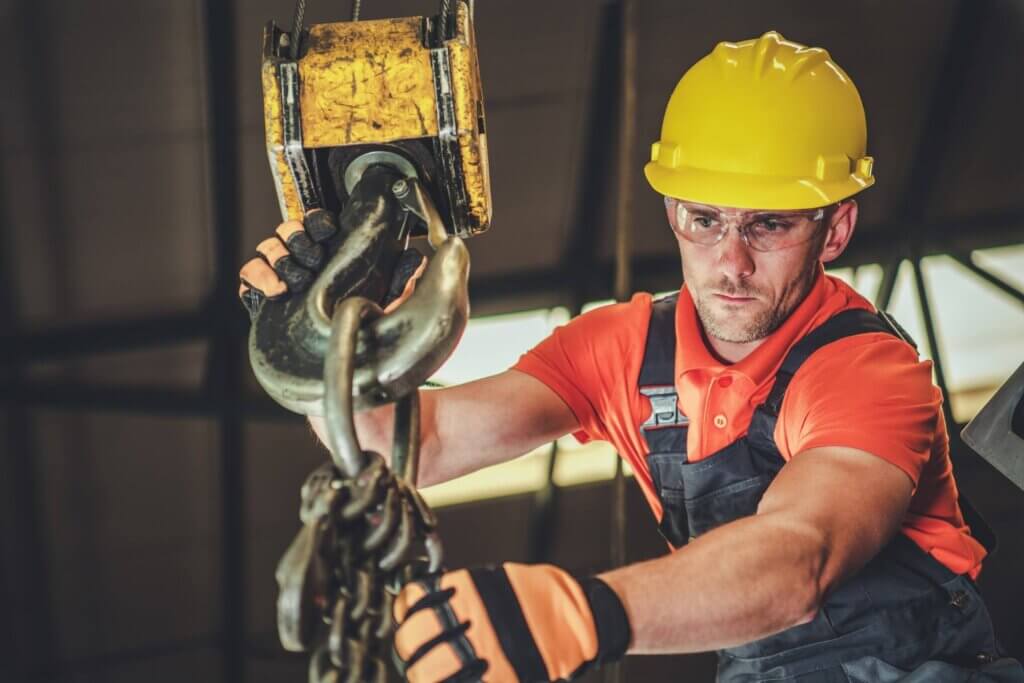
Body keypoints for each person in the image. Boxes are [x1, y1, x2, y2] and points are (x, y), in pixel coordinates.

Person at [240, 32, 1023, 683]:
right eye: (704, 218)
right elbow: (413, 445)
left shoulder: (864, 371)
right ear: (672, 212)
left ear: (837, 230)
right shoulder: (623, 348)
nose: (731, 261)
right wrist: (322, 343)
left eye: (770, 225)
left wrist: (584, 612)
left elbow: (801, 558)